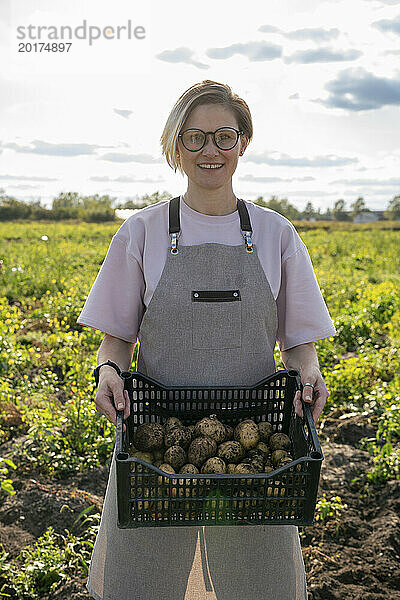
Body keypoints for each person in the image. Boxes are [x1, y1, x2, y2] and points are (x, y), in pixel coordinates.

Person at [77, 79, 337, 600]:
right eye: (195, 138)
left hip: (256, 439)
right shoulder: (142, 232)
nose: (210, 151)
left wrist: (308, 371)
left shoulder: (274, 233)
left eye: (224, 136)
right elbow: (116, 340)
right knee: (143, 574)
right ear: (176, 146)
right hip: (156, 441)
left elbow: (299, 343)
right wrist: (108, 371)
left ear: (243, 143)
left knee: (258, 576)